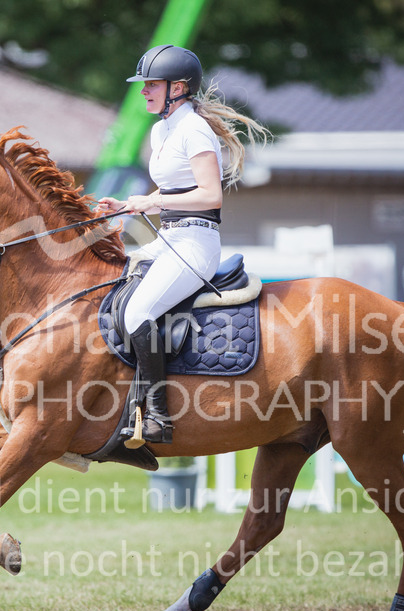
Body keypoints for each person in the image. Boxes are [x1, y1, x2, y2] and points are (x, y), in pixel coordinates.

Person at [97, 44, 269, 445]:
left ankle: (157, 413)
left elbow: (211, 195)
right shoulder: (163, 129)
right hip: (169, 238)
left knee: (140, 310)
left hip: (196, 243)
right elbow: (172, 186)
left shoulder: (194, 130)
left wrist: (151, 201)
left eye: (151, 84)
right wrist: (126, 205)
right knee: (115, 288)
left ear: (178, 88)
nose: (143, 91)